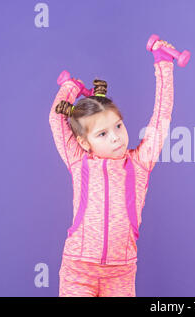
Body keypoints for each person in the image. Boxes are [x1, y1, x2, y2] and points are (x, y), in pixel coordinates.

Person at [49, 40, 175, 297]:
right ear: (84, 142)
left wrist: (163, 64)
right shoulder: (78, 160)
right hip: (78, 269)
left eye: (118, 126)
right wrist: (71, 87)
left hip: (120, 273)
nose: (116, 137)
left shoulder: (139, 163)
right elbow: (55, 118)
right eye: (103, 133)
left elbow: (161, 118)